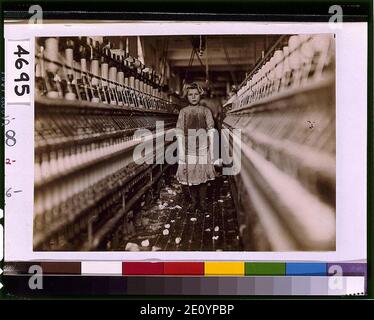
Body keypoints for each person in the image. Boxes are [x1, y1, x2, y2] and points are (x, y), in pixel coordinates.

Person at [176, 83, 216, 213]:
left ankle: (203, 202)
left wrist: (212, 147)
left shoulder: (206, 111)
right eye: (190, 95)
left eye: (196, 94)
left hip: (203, 146)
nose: (193, 97)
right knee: (191, 176)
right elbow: (179, 131)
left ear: (200, 95)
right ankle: (194, 202)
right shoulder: (183, 112)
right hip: (189, 147)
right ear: (187, 96)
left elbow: (211, 129)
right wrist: (181, 150)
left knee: (203, 174)